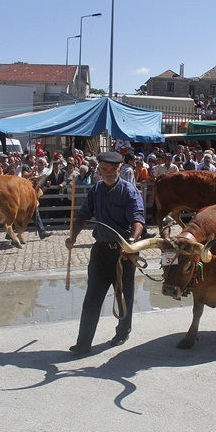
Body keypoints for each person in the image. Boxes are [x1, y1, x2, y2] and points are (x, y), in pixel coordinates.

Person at [65, 151, 145, 355]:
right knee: (92, 296)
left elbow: (138, 220)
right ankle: (83, 343)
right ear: (98, 170)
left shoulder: (129, 192)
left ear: (119, 169)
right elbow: (83, 216)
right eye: (103, 169)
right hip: (100, 251)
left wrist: (132, 241)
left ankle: (123, 331)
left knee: (123, 296)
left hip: (123, 253)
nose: (107, 173)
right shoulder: (96, 190)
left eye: (111, 169)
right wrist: (72, 237)